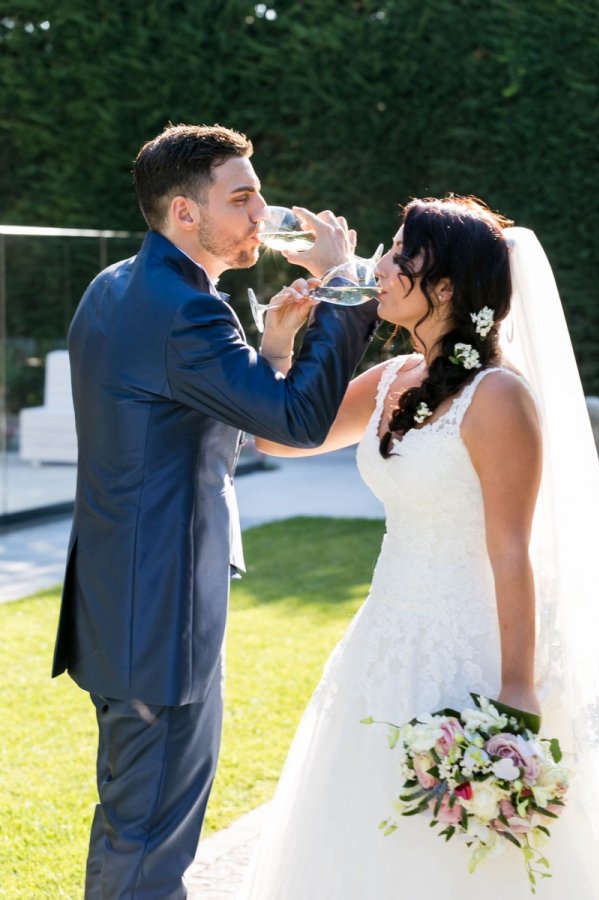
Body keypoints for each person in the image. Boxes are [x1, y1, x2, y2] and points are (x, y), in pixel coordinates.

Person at [51, 122, 379, 899]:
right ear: (184, 212)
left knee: (140, 824)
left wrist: (269, 354)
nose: (262, 214)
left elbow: (193, 424)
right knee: (148, 838)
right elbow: (295, 423)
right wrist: (347, 282)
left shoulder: (120, 286)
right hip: (159, 613)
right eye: (242, 198)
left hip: (126, 600)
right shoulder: (183, 312)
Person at [238, 195, 599, 898]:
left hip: (473, 648)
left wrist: (517, 695)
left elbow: (510, 553)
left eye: (402, 253)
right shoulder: (389, 382)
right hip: (384, 638)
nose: (381, 264)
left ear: (444, 287)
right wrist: (278, 344)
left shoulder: (498, 397)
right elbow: (279, 437)